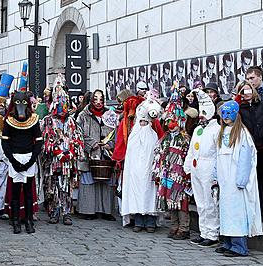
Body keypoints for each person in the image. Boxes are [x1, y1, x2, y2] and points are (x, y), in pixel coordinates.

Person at [214, 100, 263, 257]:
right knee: (226, 212)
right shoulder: (221, 134)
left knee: (236, 213)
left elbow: (245, 159)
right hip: (224, 181)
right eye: (224, 114)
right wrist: (215, 177)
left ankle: (239, 245)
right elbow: (218, 156)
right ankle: (227, 242)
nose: (226, 117)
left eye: (229, 114)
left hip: (236, 181)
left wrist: (241, 180)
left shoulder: (242, 134)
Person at [2, 91, 43, 234]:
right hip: (15, 157)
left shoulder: (34, 120)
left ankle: (29, 220)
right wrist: (13, 161)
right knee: (14, 192)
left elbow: (38, 141)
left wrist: (31, 160)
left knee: (28, 192)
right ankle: (15, 221)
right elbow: (5, 142)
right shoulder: (9, 121)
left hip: (29, 157)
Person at [41, 86, 83, 226]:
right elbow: (46, 141)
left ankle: (66, 212)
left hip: (68, 161)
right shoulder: (48, 121)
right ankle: (54, 211)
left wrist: (71, 150)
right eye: (59, 103)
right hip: (54, 161)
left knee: (67, 187)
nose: (62, 106)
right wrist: (57, 152)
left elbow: (77, 139)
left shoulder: (71, 122)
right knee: (53, 186)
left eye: (65, 103)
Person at [120, 98, 163, 231]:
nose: (143, 124)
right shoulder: (134, 135)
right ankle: (138, 220)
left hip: (149, 171)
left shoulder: (153, 135)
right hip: (135, 172)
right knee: (136, 193)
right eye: (141, 121)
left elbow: (155, 153)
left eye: (146, 122)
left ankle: (150, 221)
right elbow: (130, 154)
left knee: (149, 193)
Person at [184, 90, 221, 247]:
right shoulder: (199, 129)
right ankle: (203, 231)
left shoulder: (216, 129)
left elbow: (219, 152)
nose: (201, 115)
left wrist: (216, 173)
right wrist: (188, 166)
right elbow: (192, 149)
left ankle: (212, 233)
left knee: (210, 201)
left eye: (205, 112)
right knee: (200, 201)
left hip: (209, 167)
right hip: (197, 167)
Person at [237, 80, 263, 222]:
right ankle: (257, 211)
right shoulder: (239, 108)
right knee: (254, 183)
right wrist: (238, 96)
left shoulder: (262, 105)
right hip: (250, 151)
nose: (246, 94)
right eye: (243, 91)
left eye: (248, 90)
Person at [153, 92, 191, 238]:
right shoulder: (165, 138)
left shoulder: (185, 138)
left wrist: (186, 174)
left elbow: (188, 156)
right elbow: (160, 154)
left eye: (173, 121)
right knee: (170, 199)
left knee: (180, 200)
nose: (171, 125)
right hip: (168, 172)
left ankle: (184, 228)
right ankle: (174, 226)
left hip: (180, 174)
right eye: (168, 121)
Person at [77, 90, 116, 221]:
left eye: (101, 100)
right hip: (90, 153)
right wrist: (92, 144)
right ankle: (88, 210)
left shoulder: (110, 115)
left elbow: (116, 132)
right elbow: (78, 133)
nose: (98, 103)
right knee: (89, 182)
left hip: (106, 154)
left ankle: (106, 211)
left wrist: (109, 144)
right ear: (91, 100)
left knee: (106, 182)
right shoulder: (83, 115)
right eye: (95, 100)